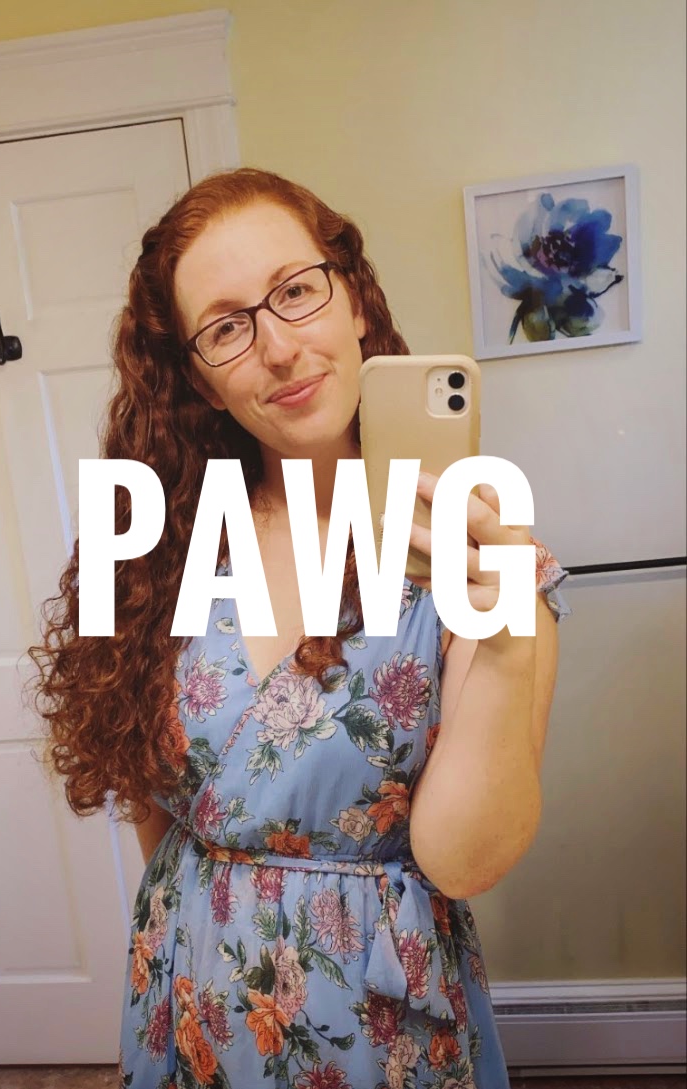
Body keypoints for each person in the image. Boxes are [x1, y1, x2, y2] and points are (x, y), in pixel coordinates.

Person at [28, 167, 570, 1089]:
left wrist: (505, 634)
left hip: (375, 1030)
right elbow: (159, 811)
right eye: (226, 328)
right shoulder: (155, 548)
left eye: (295, 291)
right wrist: (189, 939)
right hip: (187, 996)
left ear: (353, 298)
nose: (279, 348)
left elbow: (462, 860)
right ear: (199, 379)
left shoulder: (486, 558)